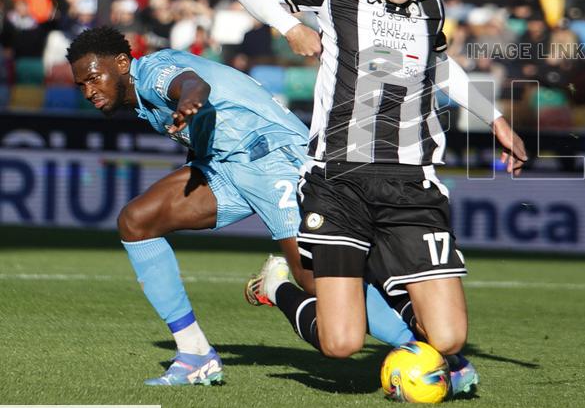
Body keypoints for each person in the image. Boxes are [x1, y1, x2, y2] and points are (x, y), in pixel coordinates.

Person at [237, 0, 527, 394]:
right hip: (339, 180)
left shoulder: (430, 2)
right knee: (342, 343)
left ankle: (389, 278)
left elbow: (441, 66)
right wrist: (290, 27)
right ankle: (279, 287)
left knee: (451, 336)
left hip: (412, 181)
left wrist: (494, 118)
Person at [67, 27, 414, 386]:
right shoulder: (139, 102)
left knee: (316, 282)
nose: (89, 91)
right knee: (136, 222)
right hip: (226, 166)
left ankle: (420, 347)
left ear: (123, 63)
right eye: (82, 86)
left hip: (274, 156)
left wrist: (189, 101)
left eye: (94, 79)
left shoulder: (153, 72)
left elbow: (192, 85)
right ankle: (195, 355)